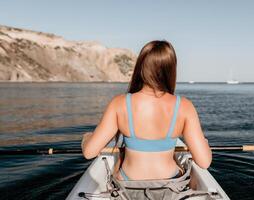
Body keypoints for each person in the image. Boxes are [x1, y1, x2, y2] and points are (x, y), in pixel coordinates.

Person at [81, 40, 212, 181]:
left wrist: (86, 138)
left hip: (129, 184)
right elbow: (204, 162)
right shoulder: (185, 106)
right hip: (170, 184)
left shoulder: (119, 103)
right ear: (171, 70)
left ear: (140, 67)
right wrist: (204, 143)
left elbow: (89, 152)